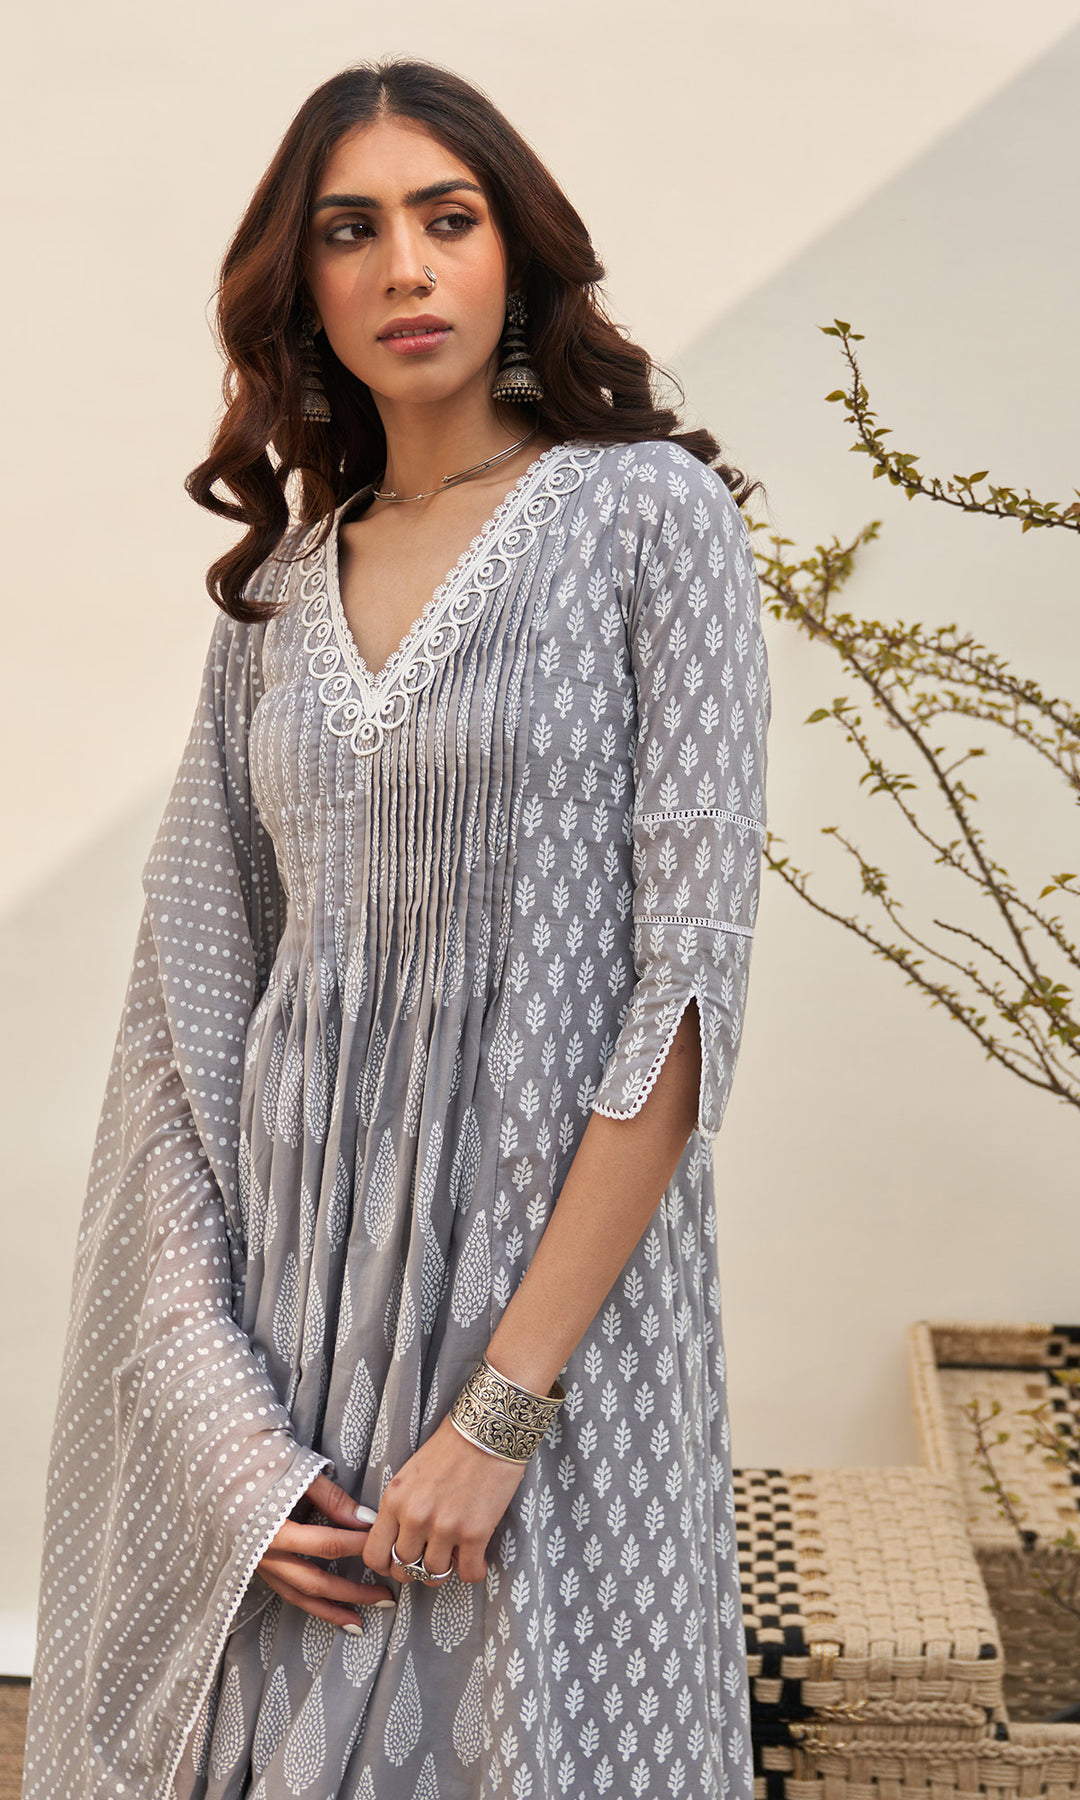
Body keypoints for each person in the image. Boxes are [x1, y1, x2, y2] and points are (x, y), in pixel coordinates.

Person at [21, 54, 771, 1800]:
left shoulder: (647, 520)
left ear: (519, 252)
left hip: (551, 1324)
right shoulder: (280, 591)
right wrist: (232, 1448)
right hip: (294, 1339)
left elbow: (683, 1001)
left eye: (450, 218)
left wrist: (503, 1410)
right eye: (352, 232)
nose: (407, 268)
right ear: (302, 286)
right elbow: (186, 1023)